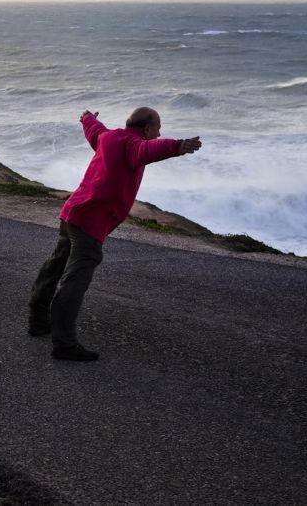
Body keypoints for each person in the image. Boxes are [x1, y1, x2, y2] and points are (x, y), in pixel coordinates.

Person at [28, 107, 202, 361]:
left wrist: (88, 117)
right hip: (90, 224)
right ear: (146, 129)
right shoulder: (134, 145)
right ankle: (64, 344)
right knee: (74, 281)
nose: (159, 132)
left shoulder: (108, 137)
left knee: (55, 267)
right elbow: (149, 150)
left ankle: (38, 322)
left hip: (72, 215)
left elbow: (94, 130)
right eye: (158, 128)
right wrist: (179, 146)